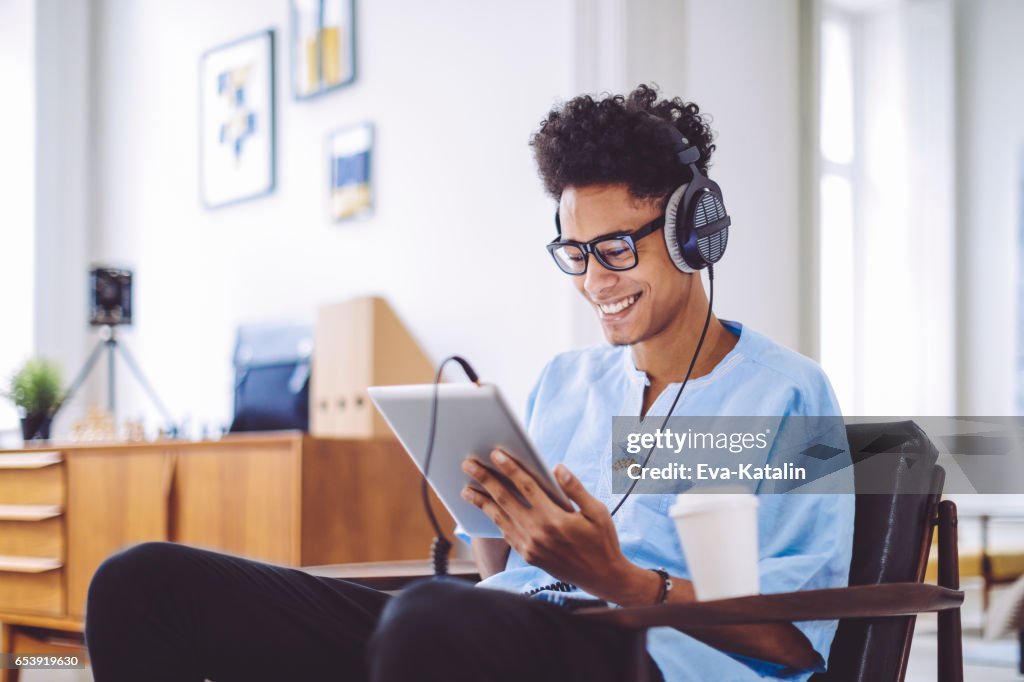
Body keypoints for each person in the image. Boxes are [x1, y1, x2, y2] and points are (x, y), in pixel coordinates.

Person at [84, 85, 853, 682]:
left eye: (616, 249)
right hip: (492, 636)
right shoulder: (567, 381)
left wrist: (620, 578)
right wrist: (499, 518)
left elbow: (794, 635)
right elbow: (506, 583)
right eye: (575, 253)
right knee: (142, 582)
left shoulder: (784, 396)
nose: (594, 281)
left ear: (693, 233)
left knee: (428, 619)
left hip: (648, 657)